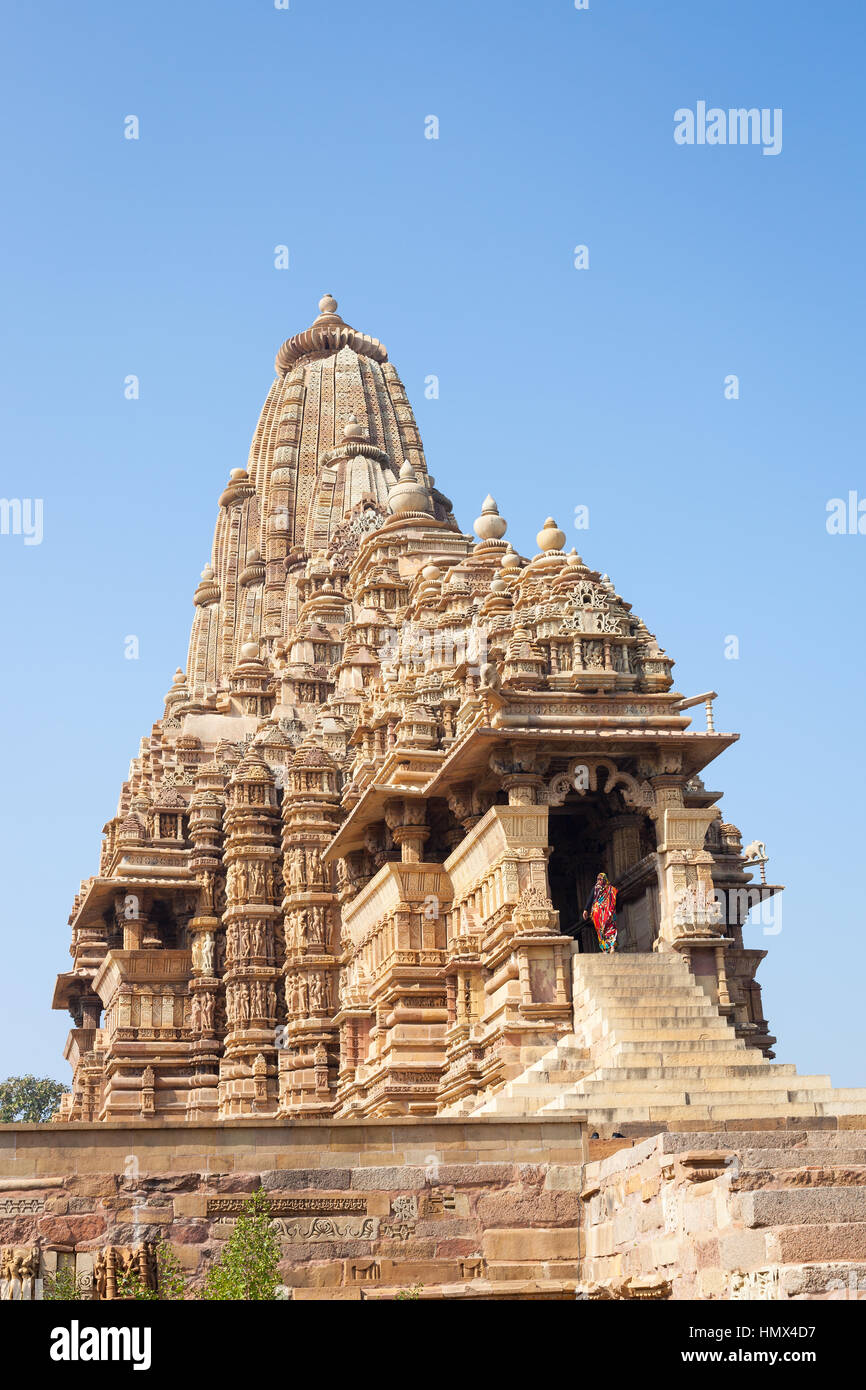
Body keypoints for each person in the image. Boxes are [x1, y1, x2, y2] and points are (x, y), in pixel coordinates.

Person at [582, 872, 618, 953]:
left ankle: (612, 947)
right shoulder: (595, 888)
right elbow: (590, 899)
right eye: (597, 879)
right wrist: (585, 909)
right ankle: (604, 949)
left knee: (611, 929)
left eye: (600, 879)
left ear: (604, 879)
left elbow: (615, 900)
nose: (598, 881)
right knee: (600, 931)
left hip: (609, 913)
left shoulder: (611, 889)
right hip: (598, 914)